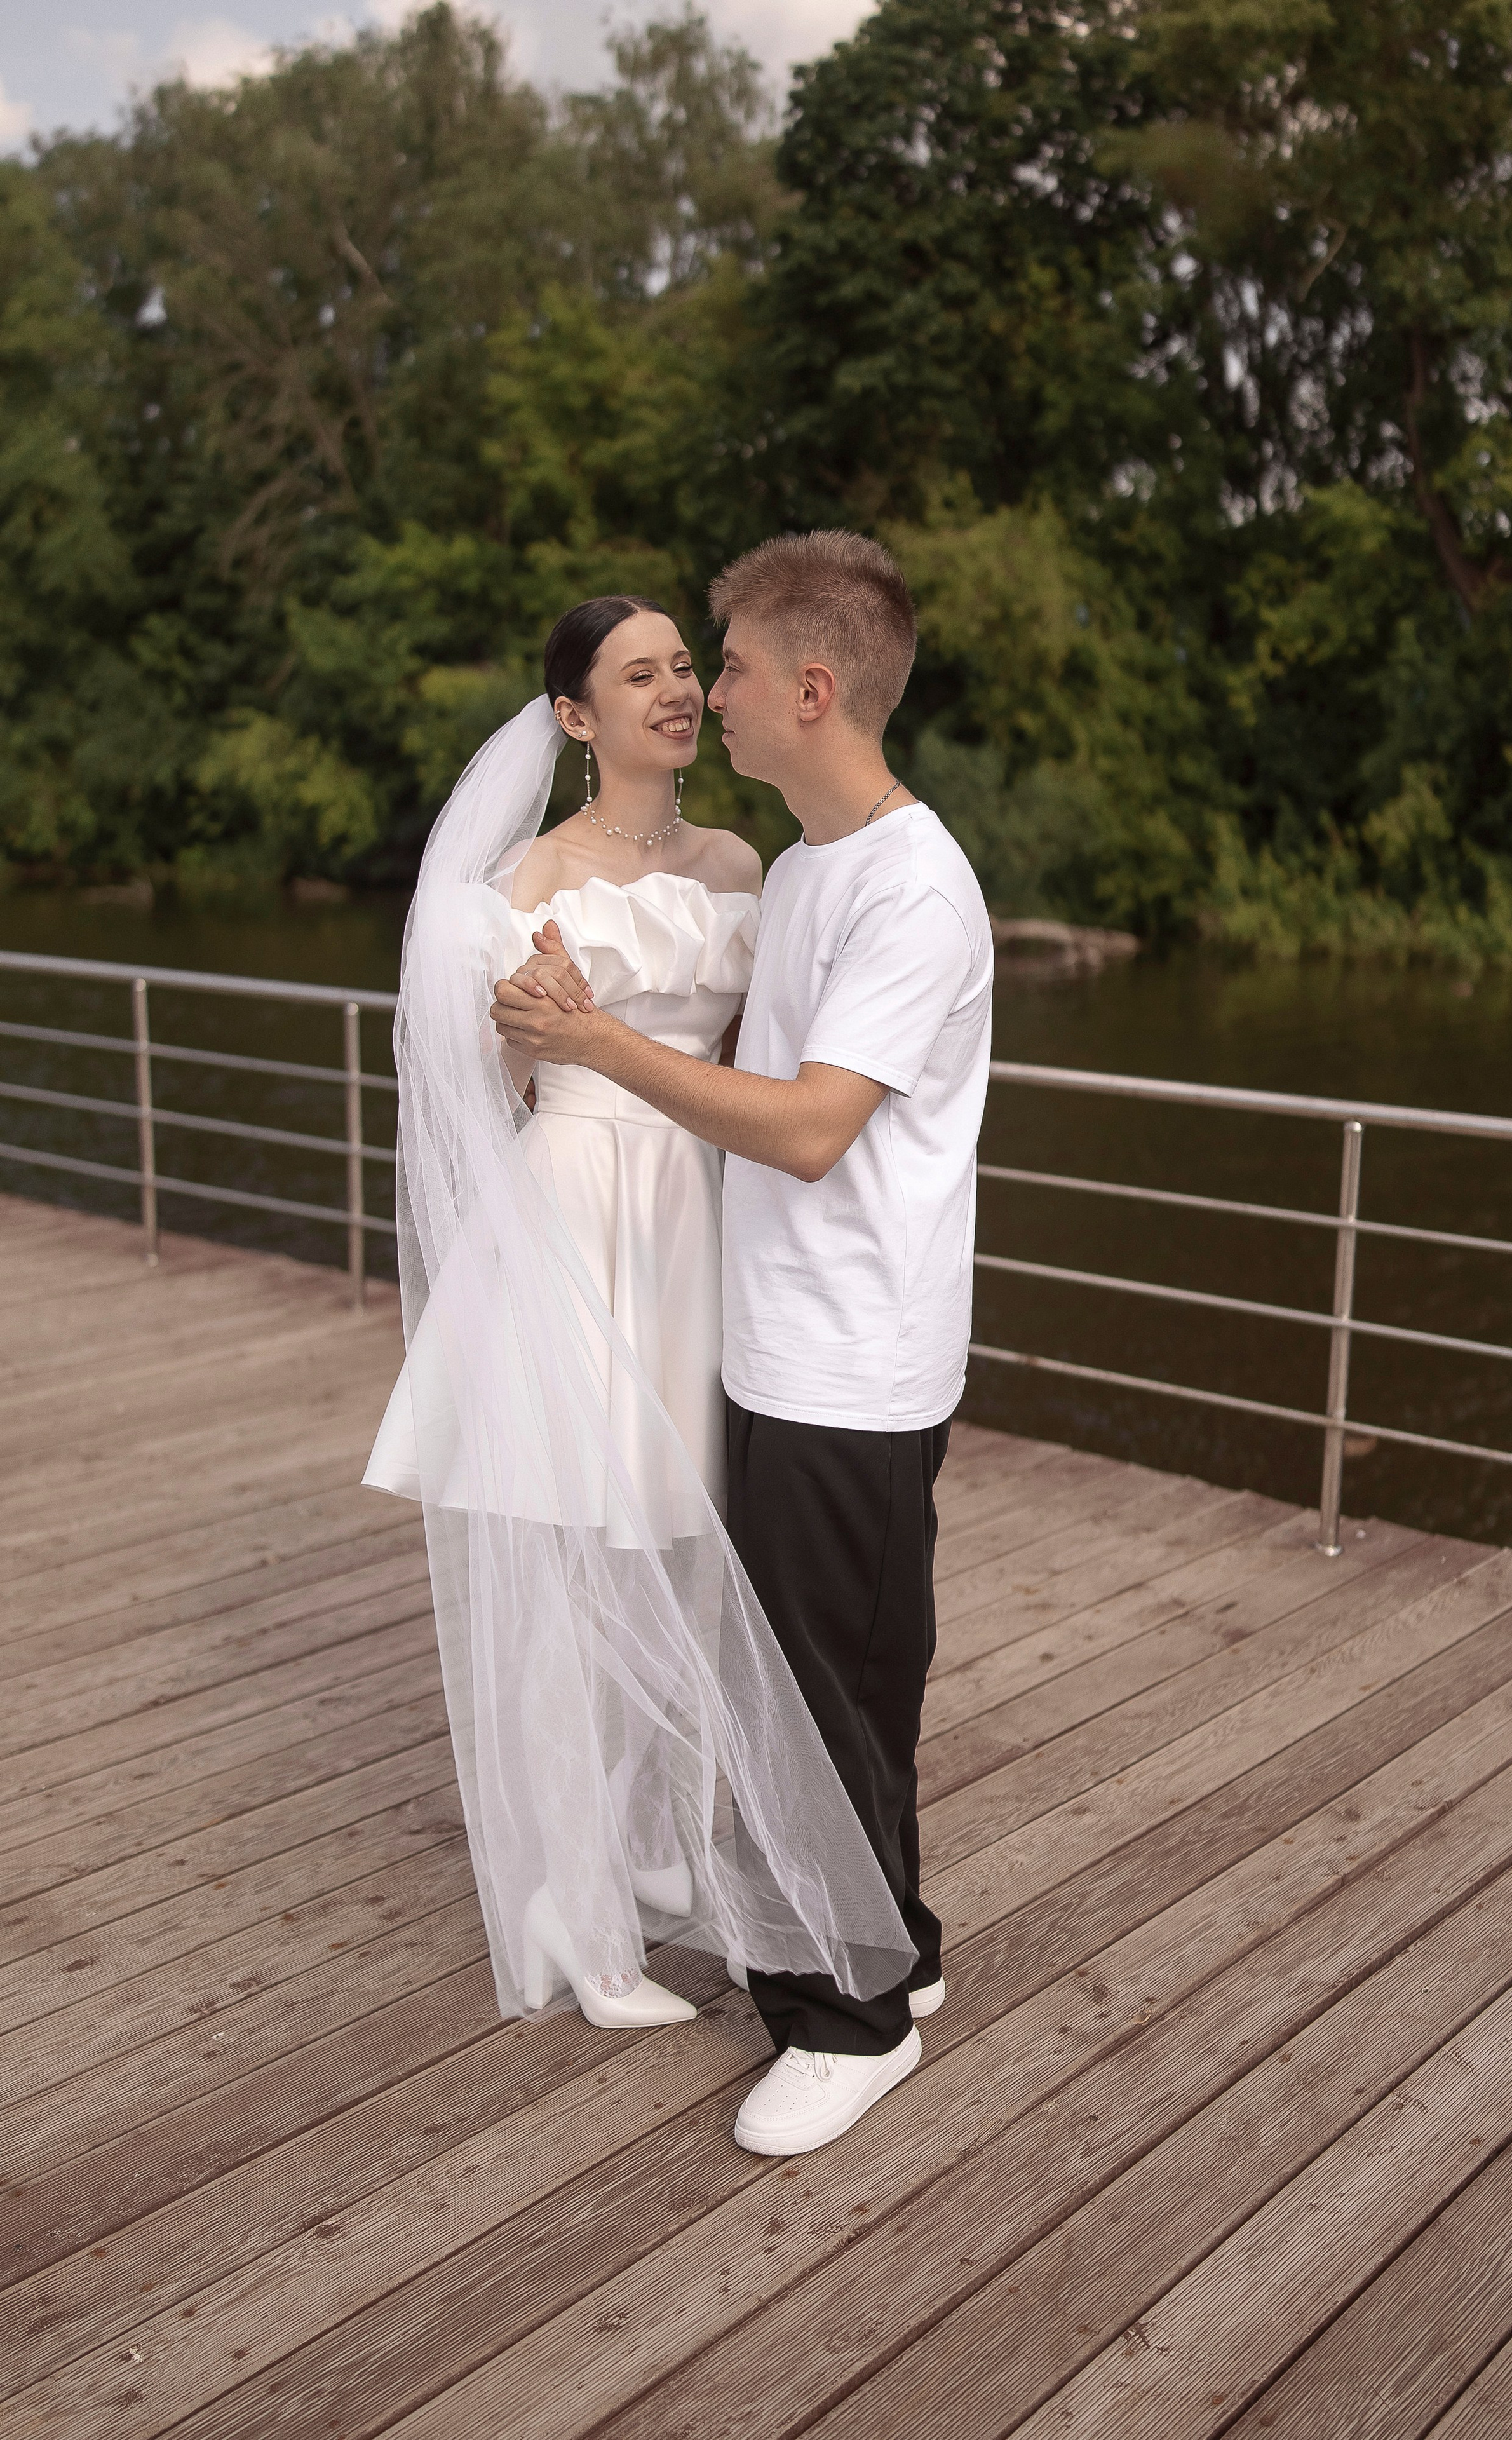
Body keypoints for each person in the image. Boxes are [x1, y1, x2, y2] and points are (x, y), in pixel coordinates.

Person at [493, 531, 995, 2157]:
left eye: (721, 662)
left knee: (816, 1694)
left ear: (811, 685)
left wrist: (596, 1043)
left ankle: (839, 2026)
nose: (705, 691)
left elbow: (801, 1135)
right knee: (851, 1676)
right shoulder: (803, 866)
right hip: (770, 1341)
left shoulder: (912, 890)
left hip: (853, 1353)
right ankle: (894, 1955)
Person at [365, 591, 915, 2038]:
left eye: (688, 666)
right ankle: (574, 1905)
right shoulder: (517, 882)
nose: (676, 690)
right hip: (576, 1212)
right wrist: (538, 1082)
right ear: (572, 717)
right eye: (640, 673)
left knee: (678, 1551)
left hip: (701, 1222)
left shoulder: (749, 862)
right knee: (568, 1564)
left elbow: (754, 1057)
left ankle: (660, 1856)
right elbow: (468, 1106)